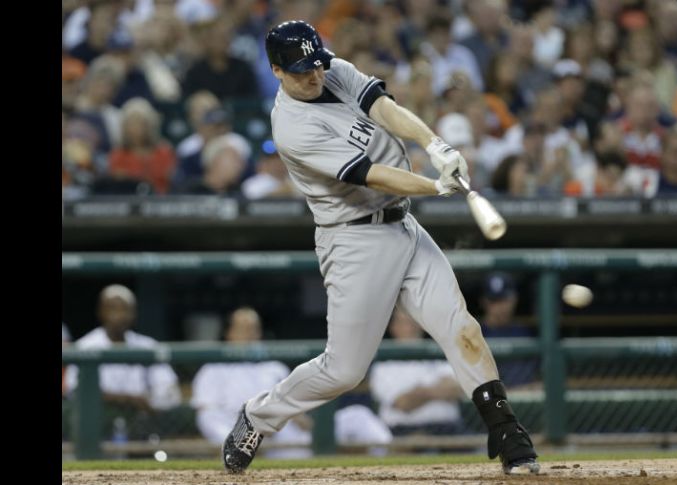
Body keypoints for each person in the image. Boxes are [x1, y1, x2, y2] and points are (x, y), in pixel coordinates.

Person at [221, 21, 538, 476]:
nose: (314, 76)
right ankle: (258, 415)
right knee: (344, 371)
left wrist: (435, 144)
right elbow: (372, 175)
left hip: (402, 224)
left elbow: (385, 108)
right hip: (354, 239)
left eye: (316, 64)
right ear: (276, 71)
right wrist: (434, 186)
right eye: (302, 70)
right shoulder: (291, 127)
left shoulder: (332, 70)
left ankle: (507, 432)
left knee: (461, 327)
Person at [192, 307, 313, 458]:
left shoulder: (275, 367)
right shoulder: (213, 368)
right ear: (230, 333)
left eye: (254, 329)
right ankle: (237, 450)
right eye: (243, 329)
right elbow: (206, 413)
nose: (249, 334)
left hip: (274, 435)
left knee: (303, 442)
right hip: (233, 430)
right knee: (208, 417)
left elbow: (295, 410)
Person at [65, 285, 182, 414]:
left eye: (126, 310)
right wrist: (128, 400)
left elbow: (170, 390)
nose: (120, 316)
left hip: (141, 418)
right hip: (99, 417)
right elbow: (74, 390)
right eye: (113, 309)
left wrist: (153, 400)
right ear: (100, 312)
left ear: (134, 314)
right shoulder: (85, 346)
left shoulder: (148, 346)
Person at [369, 308, 466, 436]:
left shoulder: (437, 351)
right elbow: (402, 403)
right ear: (394, 327)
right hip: (402, 432)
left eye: (415, 321)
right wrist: (437, 390)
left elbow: (457, 389)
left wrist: (420, 392)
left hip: (449, 430)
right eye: (405, 322)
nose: (412, 327)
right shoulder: (384, 362)